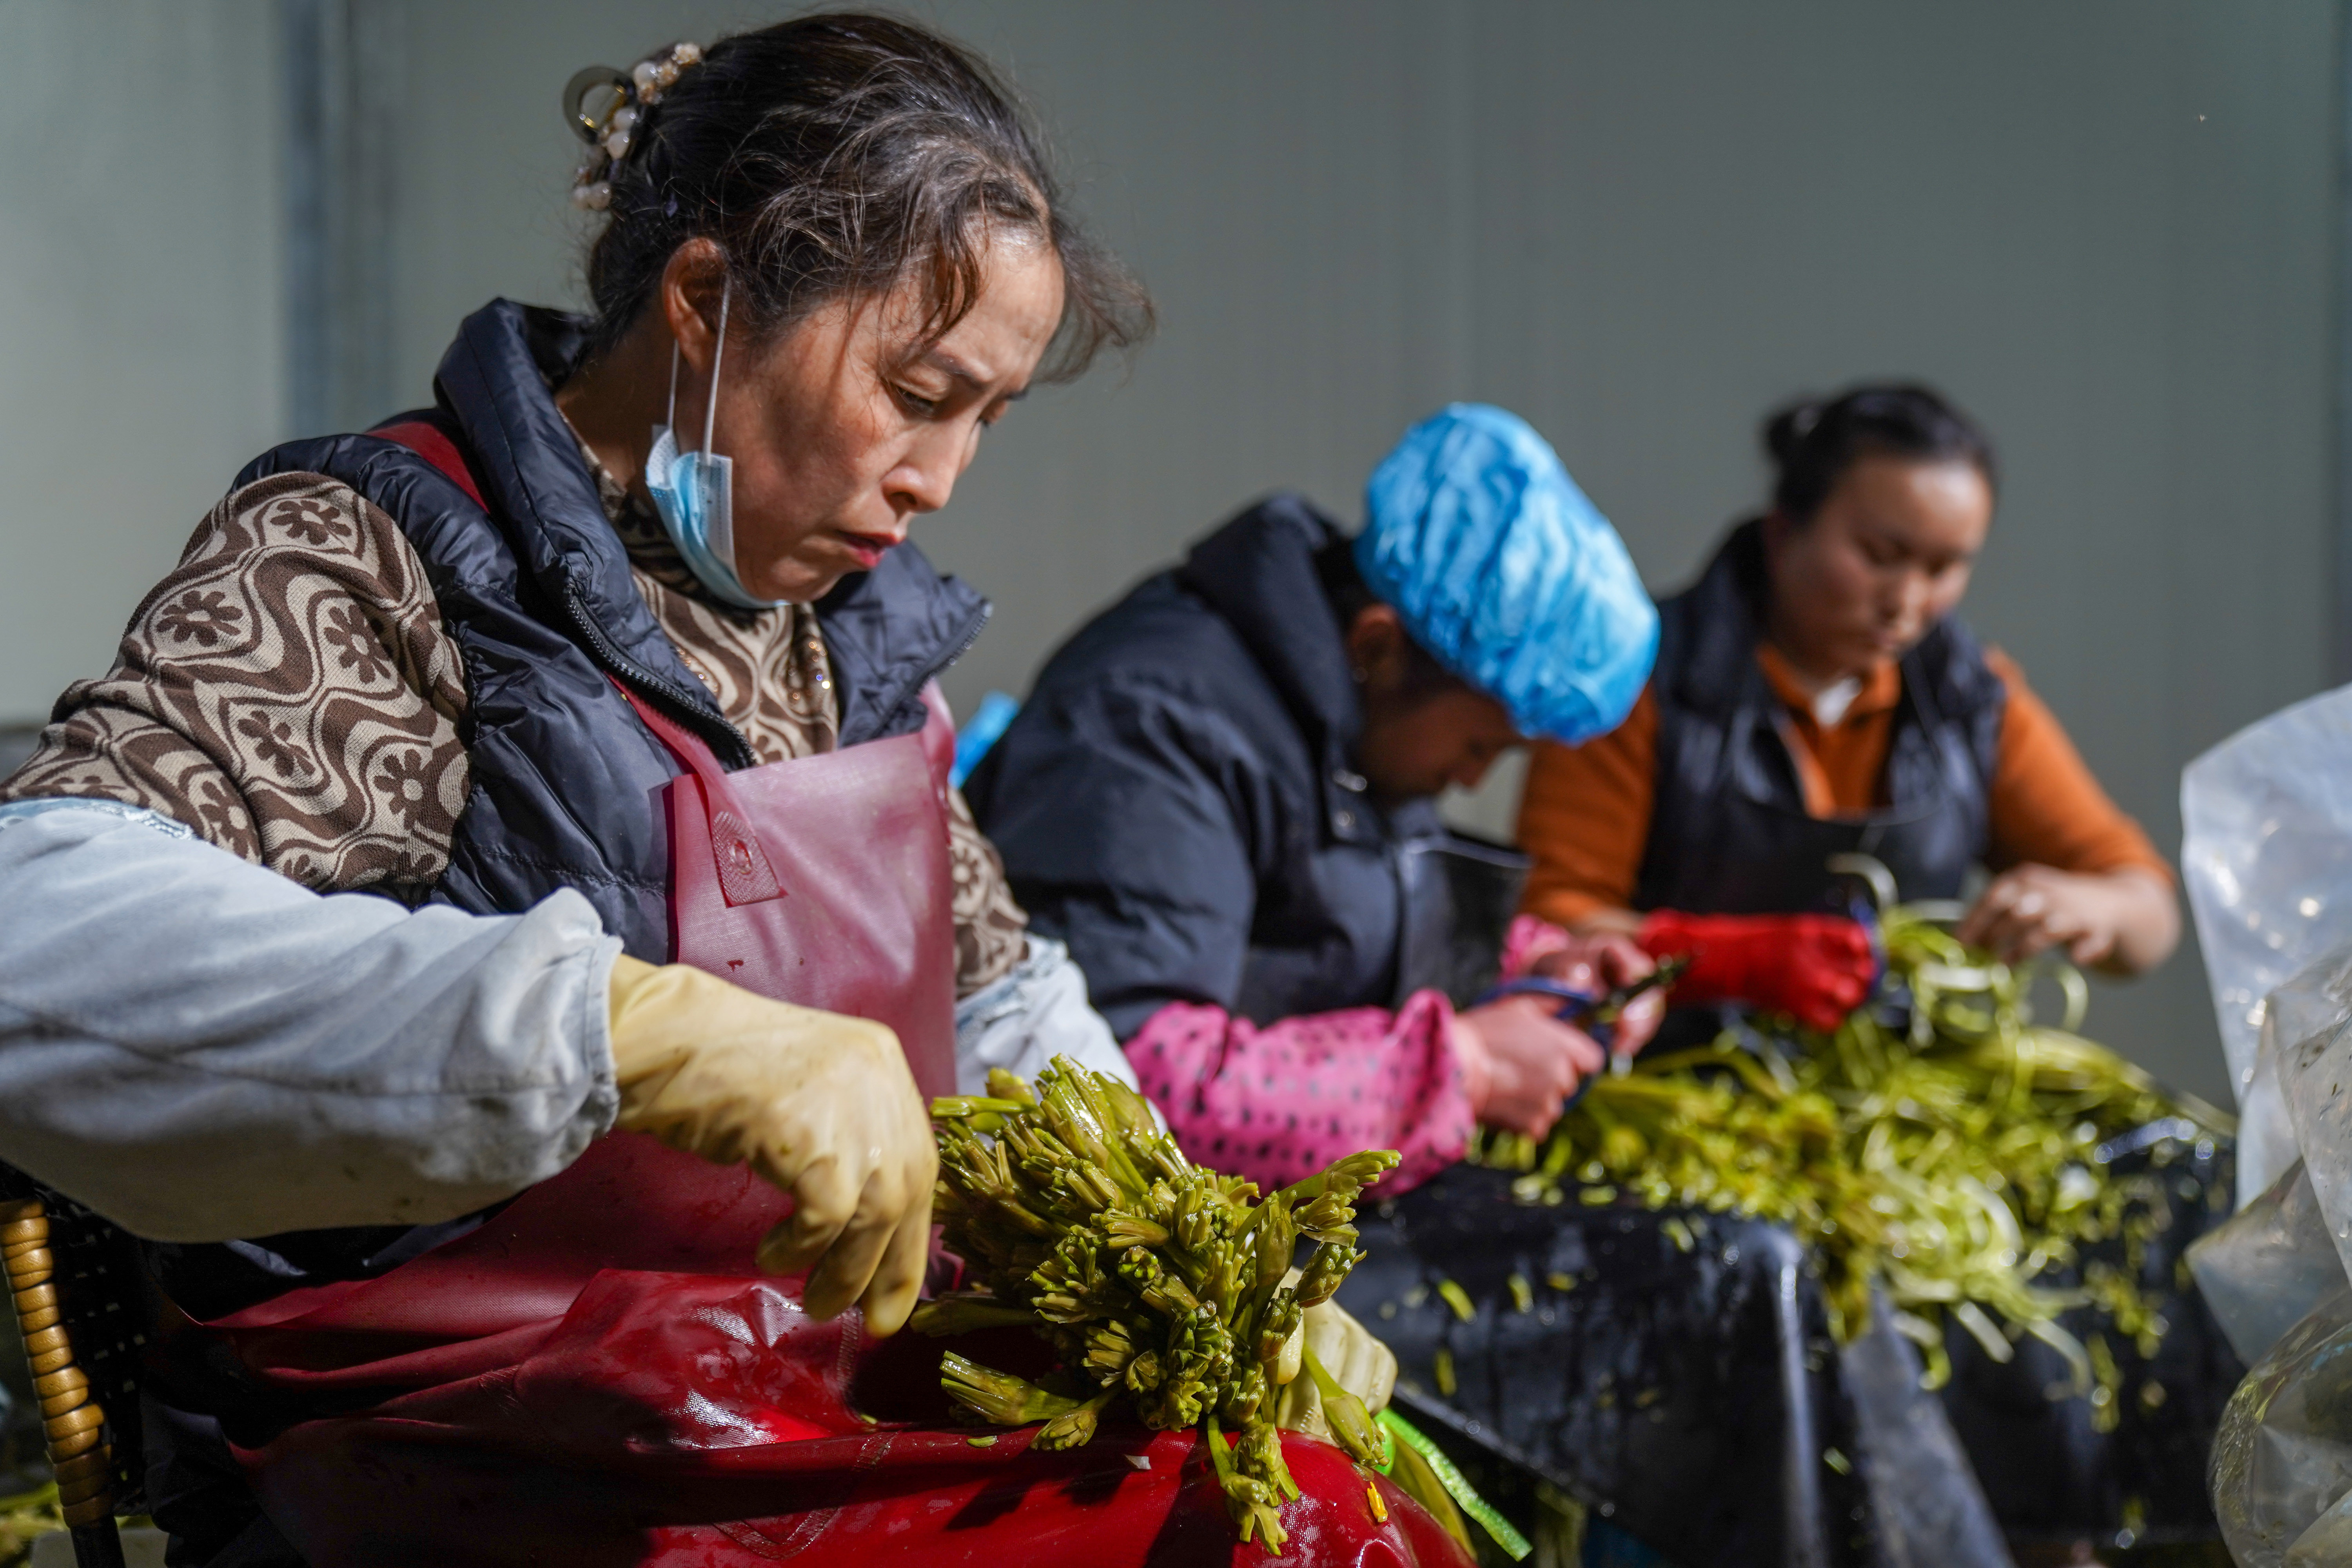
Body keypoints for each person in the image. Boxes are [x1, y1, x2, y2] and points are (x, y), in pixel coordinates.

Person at [0, 18, 1445, 1568]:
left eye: (987, 417)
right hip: (480, 1460)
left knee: (1320, 1509)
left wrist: (1198, 1253)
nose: (941, 477)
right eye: (916, 391)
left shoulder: (847, 638)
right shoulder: (391, 562)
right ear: (704, 303)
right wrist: (631, 1031)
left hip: (776, 1401)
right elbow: (41, 941)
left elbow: (1004, 1004)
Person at [975, 405, 1965, 1566]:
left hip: (1321, 1207)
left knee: (1768, 1264)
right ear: (1380, 645)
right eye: (1484, 747)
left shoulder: (1346, 716)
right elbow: (1128, 1080)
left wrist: (1543, 964)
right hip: (1187, 1252)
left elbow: (1344, 930)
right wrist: (1471, 1068)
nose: (1471, 777)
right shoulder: (1157, 722)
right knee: (1731, 1285)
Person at [1515, 384, 2234, 1560]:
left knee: (2171, 1178)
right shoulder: (1645, 678)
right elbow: (1551, 920)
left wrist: (2082, 904)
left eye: (1946, 567)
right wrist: (1730, 959)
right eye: (1881, 554)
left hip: (1896, 1092)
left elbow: (2147, 909)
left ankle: (2102, 1533)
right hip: (1695, 1095)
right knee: (1827, 1259)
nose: (1910, 600)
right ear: (1786, 528)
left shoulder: (1966, 698)